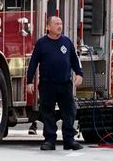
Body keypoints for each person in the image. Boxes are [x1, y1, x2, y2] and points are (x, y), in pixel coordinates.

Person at [26, 16, 84, 151]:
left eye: (61, 23)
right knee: (47, 112)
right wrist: (29, 81)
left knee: (69, 112)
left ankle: (69, 140)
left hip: (65, 83)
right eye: (56, 23)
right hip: (47, 84)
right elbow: (33, 63)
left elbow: (74, 59)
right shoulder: (41, 43)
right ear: (48, 27)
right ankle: (50, 140)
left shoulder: (67, 42)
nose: (59, 26)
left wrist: (79, 73)